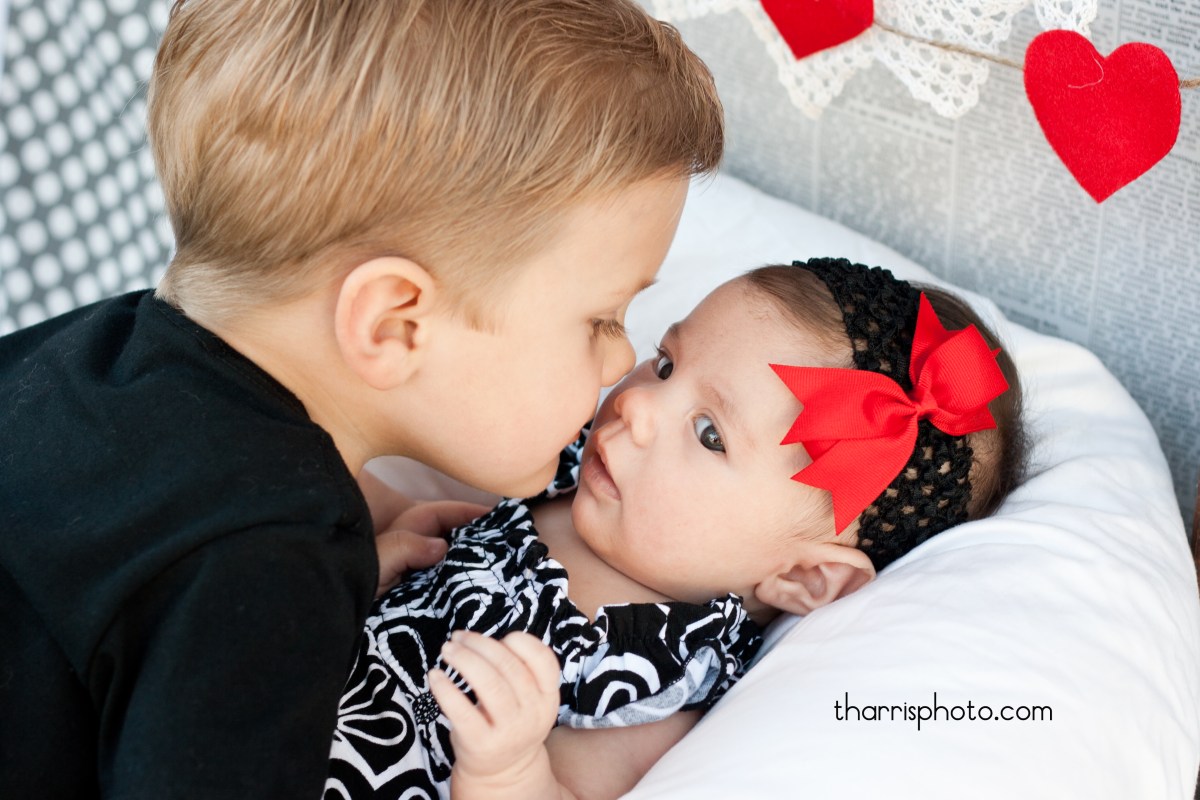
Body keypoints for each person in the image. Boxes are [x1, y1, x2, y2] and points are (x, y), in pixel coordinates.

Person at [0, 2, 723, 797]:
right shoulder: (262, 573)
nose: (622, 358)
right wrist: (294, 606)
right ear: (392, 323)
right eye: (600, 319)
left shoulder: (75, 353)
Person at [325, 258, 1028, 799]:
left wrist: (507, 767)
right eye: (666, 363)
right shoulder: (574, 471)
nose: (639, 407)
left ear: (802, 576)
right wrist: (375, 526)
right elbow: (419, 509)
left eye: (709, 434)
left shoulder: (649, 677)